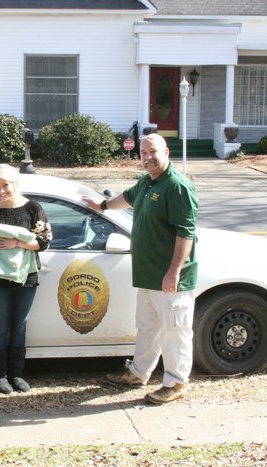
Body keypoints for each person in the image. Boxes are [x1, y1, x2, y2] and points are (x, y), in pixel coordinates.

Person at [83, 133, 199, 404]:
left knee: (175, 331)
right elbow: (127, 198)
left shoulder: (177, 186)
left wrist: (174, 271)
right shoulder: (147, 181)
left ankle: (176, 382)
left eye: (153, 152)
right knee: (148, 327)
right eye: (143, 153)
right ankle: (138, 373)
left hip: (171, 279)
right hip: (148, 275)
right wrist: (102, 205)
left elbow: (186, 233)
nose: (148, 157)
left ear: (166, 152)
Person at [0, 164, 51, 394]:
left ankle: (16, 374)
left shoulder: (32, 208)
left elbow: (44, 241)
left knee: (19, 327)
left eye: (5, 185)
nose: (1, 190)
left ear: (14, 183)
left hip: (26, 277)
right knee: (1, 326)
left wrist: (17, 243)